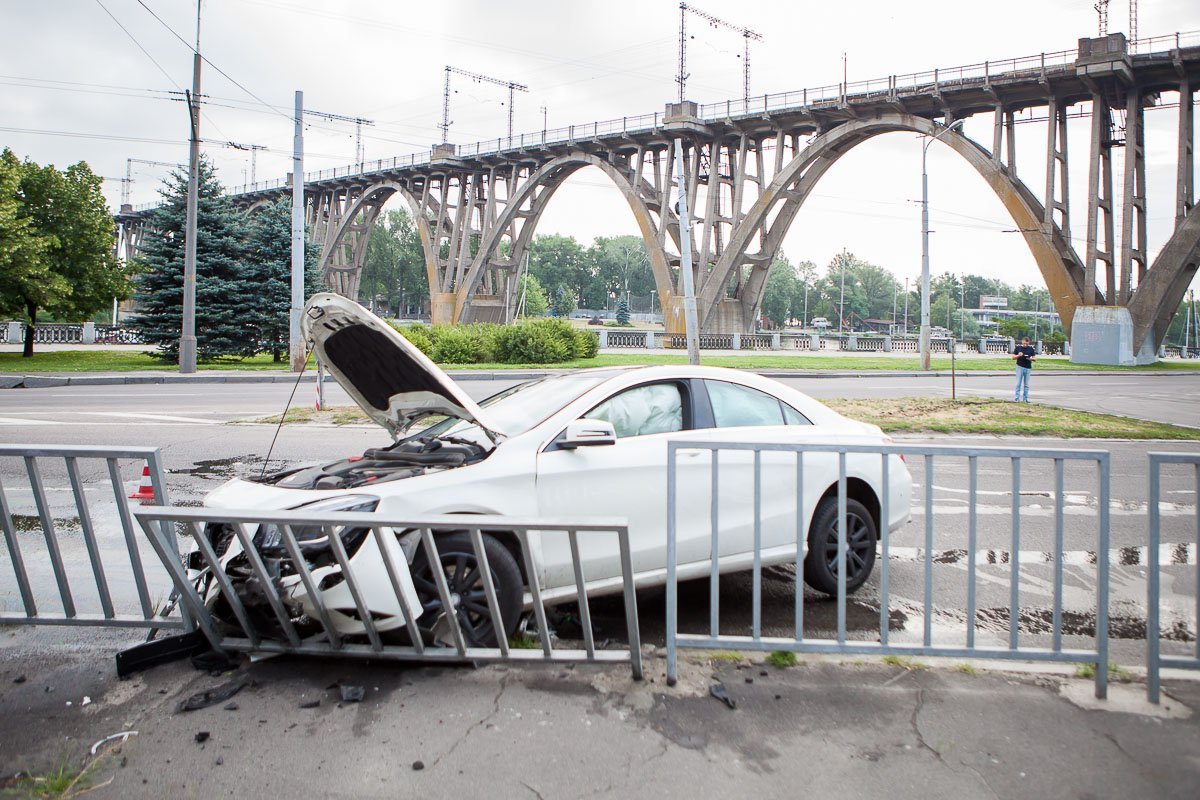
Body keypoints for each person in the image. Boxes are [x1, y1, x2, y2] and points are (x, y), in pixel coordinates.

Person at [1012, 336, 1036, 402]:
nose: (1025, 345)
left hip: (1028, 367)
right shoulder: (1018, 348)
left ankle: (1025, 399)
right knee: (1018, 383)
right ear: (1022, 342)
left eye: (1027, 344)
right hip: (1020, 366)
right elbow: (1013, 357)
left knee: (1026, 384)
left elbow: (1035, 358)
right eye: (1024, 343)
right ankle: (1017, 398)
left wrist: (1030, 358)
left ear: (1029, 343)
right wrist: (1018, 355)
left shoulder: (1031, 349)